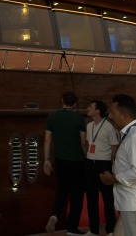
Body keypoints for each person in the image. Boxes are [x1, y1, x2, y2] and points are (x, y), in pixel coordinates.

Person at [100, 94, 136, 236]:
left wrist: (112, 179)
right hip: (131, 202)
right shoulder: (131, 134)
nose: (109, 116)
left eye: (112, 112)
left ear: (123, 115)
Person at [43, 91, 87, 235]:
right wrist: (87, 156)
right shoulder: (79, 119)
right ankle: (72, 228)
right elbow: (82, 142)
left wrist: (47, 160)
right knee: (76, 194)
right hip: (76, 160)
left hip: (60, 159)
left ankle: (54, 215)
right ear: (75, 104)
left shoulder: (52, 116)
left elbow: (48, 139)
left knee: (62, 189)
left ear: (62, 100)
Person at [84, 100, 119, 236]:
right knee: (91, 200)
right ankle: (93, 230)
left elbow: (114, 146)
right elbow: (89, 143)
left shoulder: (108, 127)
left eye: (90, 106)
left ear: (98, 110)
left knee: (107, 199)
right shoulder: (89, 126)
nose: (88, 108)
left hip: (103, 164)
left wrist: (109, 162)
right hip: (89, 163)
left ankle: (110, 230)